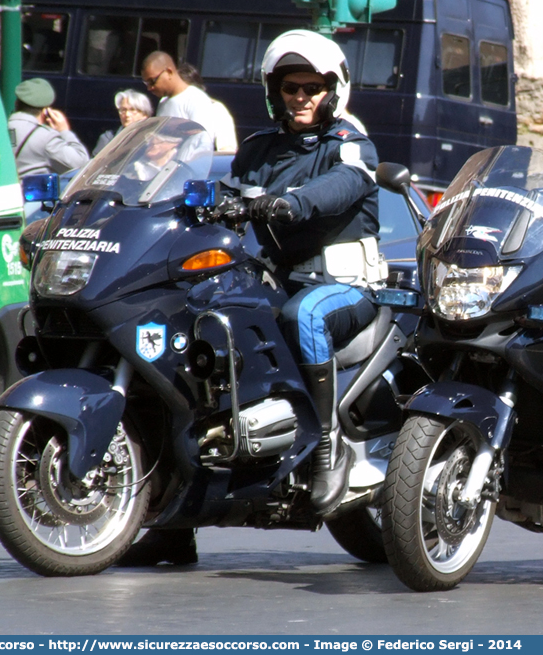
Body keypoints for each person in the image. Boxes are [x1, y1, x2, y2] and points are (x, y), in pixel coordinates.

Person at [119, 31, 382, 567]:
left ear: (334, 90)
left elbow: (344, 185)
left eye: (312, 87)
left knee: (303, 315)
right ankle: (173, 525)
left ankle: (327, 448)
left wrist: (290, 204)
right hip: (274, 280)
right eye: (291, 87)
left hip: (346, 288)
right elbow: (218, 190)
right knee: (187, 344)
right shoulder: (260, 148)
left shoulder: (352, 143)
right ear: (275, 92)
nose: (302, 97)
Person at [7, 78, 89, 221]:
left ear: (16, 103)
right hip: (30, 210)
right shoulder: (45, 137)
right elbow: (81, 163)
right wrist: (65, 131)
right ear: (46, 111)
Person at [140, 52, 237, 153]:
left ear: (169, 72)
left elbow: (201, 145)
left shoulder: (196, 99)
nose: (150, 88)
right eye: (146, 83)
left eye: (152, 81)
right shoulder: (163, 102)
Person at [93, 89, 153, 156]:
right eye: (123, 110)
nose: (127, 114)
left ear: (145, 114)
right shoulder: (108, 139)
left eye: (132, 110)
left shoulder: (154, 138)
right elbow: (94, 164)